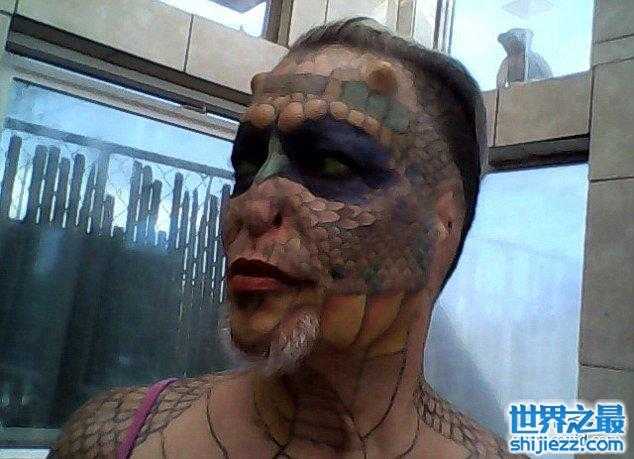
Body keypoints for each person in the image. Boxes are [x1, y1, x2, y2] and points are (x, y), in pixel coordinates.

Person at [50, 17, 521, 458]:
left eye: (332, 164)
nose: (253, 208)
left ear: (443, 222)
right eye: (247, 167)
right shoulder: (117, 439)